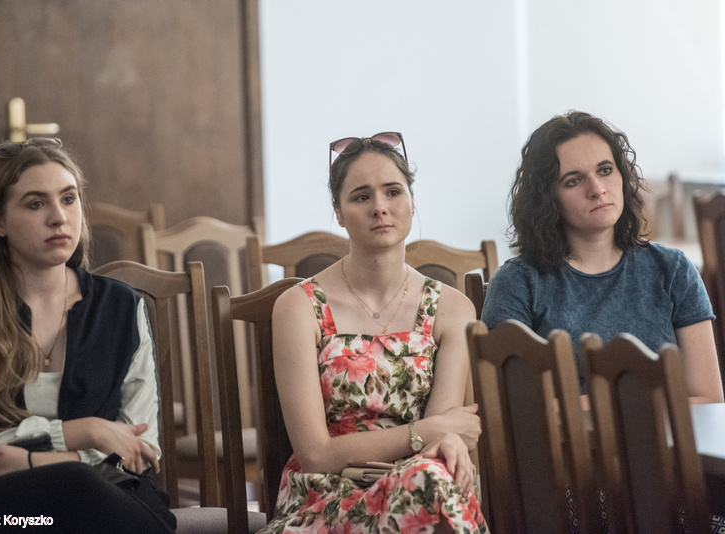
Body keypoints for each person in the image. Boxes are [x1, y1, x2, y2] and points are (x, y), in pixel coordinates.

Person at [0, 138, 176, 532]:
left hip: (110, 494)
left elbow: (141, 453)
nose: (59, 217)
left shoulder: (123, 307)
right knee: (76, 487)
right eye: (35, 204)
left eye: (69, 199)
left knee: (83, 488)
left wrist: (33, 460)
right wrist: (87, 431)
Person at [263, 132, 487, 533]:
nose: (380, 207)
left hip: (418, 482)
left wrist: (446, 438)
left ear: (413, 202)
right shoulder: (299, 306)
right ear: (338, 212)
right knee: (433, 485)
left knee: (433, 479)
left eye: (393, 192)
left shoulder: (453, 308)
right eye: (361, 196)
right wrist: (429, 432)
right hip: (325, 496)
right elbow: (316, 454)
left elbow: (441, 438)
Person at [481, 110, 724, 405]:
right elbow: (516, 410)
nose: (597, 189)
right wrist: (629, 408)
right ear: (547, 199)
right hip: (569, 438)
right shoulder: (517, 282)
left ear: (622, 176)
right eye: (573, 181)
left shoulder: (673, 269)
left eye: (605, 170)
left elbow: (709, 399)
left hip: (670, 434)